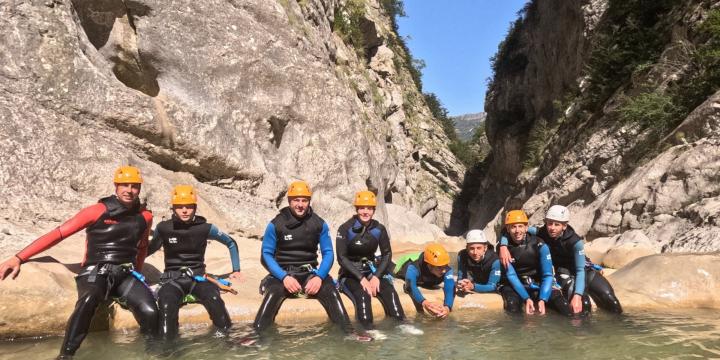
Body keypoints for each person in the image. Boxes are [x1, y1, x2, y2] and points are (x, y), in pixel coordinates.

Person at [0, 165, 158, 358]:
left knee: (151, 311)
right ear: (116, 187)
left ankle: (152, 354)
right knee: (88, 300)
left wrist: (139, 273)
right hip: (96, 271)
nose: (129, 190)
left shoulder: (145, 216)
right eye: (124, 185)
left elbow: (141, 248)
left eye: (134, 186)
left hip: (126, 275)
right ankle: (66, 355)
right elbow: (58, 234)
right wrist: (18, 258)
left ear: (139, 189)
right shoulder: (96, 211)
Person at [252, 181, 367, 339]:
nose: (300, 204)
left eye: (304, 200)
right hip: (282, 275)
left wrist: (319, 277)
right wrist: (284, 277)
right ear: (289, 201)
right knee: (272, 294)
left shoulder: (318, 223)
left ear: (309, 202)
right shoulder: (276, 224)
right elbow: (265, 255)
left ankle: (348, 333)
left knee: (332, 292)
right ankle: (255, 335)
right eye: (296, 200)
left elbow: (328, 254)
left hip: (309, 274)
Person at [148, 185, 243, 340]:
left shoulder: (205, 228)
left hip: (198, 279)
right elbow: (150, 249)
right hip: (173, 280)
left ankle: (227, 341)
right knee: (166, 304)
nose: (184, 210)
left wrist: (236, 270)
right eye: (180, 207)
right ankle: (168, 348)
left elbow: (231, 242)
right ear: (173, 208)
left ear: (195, 207)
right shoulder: (164, 228)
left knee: (214, 299)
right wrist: (135, 266)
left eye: (189, 207)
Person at [498, 205, 623, 314]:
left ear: (564, 226)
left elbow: (580, 270)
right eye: (549, 223)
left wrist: (577, 295)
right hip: (562, 272)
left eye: (557, 224)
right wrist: (503, 246)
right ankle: (581, 335)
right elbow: (510, 230)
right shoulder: (541, 232)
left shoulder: (575, 242)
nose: (552, 228)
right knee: (585, 305)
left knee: (610, 299)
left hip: (582, 270)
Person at [335, 190, 405, 329]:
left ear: (374, 210)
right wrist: (361, 279)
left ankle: (402, 325)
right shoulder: (345, 229)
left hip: (372, 272)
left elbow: (387, 254)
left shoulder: (379, 229)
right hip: (350, 275)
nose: (365, 212)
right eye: (362, 208)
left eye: (369, 208)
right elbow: (341, 258)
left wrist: (376, 277)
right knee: (363, 296)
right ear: (356, 209)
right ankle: (368, 330)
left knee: (390, 292)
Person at [497, 210, 570, 316]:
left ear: (526, 228)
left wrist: (543, 299)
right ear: (508, 229)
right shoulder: (503, 249)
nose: (517, 230)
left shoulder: (539, 244)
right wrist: (526, 298)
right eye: (513, 227)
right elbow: (511, 275)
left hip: (537, 283)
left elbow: (548, 275)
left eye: (520, 226)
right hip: (513, 285)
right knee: (512, 307)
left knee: (563, 305)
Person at [394, 243, 455, 318]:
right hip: (404, 263)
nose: (444, 271)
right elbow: (409, 286)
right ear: (429, 265)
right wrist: (425, 303)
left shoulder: (446, 269)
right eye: (439, 268)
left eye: (445, 266)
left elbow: (450, 286)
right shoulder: (413, 268)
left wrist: (447, 308)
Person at [455, 230, 501, 296]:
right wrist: (462, 284)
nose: (475, 252)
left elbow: (493, 286)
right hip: (475, 282)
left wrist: (473, 286)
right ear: (467, 248)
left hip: (488, 285)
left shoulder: (494, 260)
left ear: (485, 248)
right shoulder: (462, 256)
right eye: (471, 248)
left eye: (479, 248)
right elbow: (461, 278)